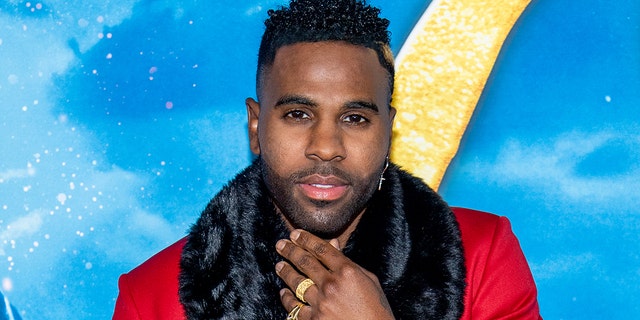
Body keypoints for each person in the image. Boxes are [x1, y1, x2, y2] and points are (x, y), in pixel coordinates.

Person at [113, 0, 541, 319]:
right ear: (256, 127)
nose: (326, 146)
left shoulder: (483, 256)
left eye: (354, 118)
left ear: (388, 131)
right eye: (298, 115)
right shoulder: (150, 295)